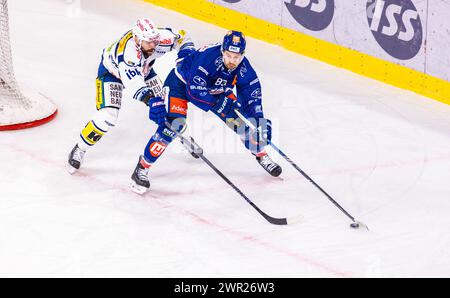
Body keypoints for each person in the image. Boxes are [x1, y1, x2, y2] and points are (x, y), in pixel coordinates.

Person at [130, 30, 282, 194]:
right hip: (180, 85)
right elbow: (194, 90)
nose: (232, 61)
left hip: (215, 89)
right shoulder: (208, 58)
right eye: (229, 55)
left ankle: (261, 153)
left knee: (239, 122)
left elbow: (251, 92)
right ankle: (142, 168)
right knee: (173, 126)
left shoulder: (244, 66)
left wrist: (258, 119)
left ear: (242, 55)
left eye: (236, 57)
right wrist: (220, 102)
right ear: (223, 50)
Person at [67, 18, 194, 174]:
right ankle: (80, 148)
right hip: (112, 74)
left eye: (155, 41)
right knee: (107, 117)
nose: (153, 46)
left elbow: (183, 38)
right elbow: (134, 84)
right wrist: (151, 100)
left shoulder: (159, 38)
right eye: (149, 42)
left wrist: (187, 56)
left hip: (145, 71)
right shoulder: (128, 54)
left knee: (171, 105)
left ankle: (184, 137)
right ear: (137, 39)